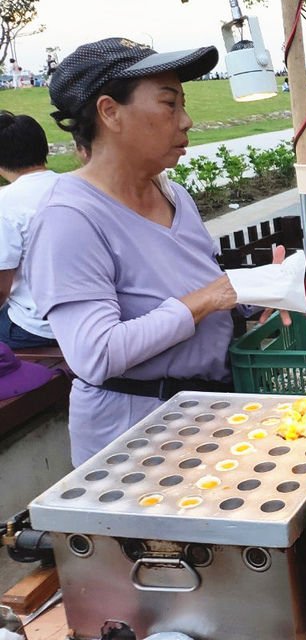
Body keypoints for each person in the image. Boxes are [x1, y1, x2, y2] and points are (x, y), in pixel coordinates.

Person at [24, 37, 252, 466]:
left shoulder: (174, 194)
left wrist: (255, 297)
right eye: (169, 104)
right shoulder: (70, 218)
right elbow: (95, 354)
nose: (186, 121)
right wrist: (204, 301)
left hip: (208, 421)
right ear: (110, 112)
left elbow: (202, 288)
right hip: (136, 447)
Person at [0, 111, 59, 349]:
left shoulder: (6, 202)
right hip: (88, 317)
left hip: (37, 327)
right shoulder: (78, 187)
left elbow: (1, 289)